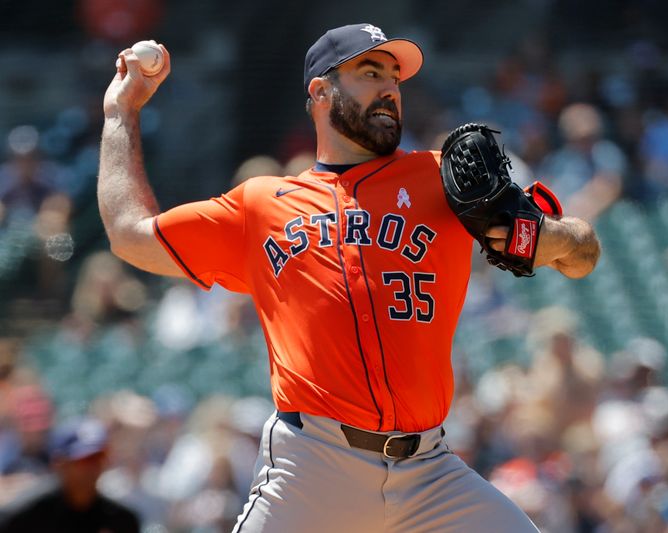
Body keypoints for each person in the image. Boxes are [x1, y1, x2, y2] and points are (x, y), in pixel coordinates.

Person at [98, 22, 600, 532]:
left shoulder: (441, 177)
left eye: (394, 77)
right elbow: (128, 234)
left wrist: (538, 237)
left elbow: (583, 251)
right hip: (313, 467)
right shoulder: (260, 204)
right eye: (369, 72)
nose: (389, 87)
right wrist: (121, 112)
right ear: (321, 92)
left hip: (429, 473)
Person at [0, 417, 140, 532]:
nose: (93, 466)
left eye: (98, 457)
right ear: (60, 463)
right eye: (84, 460)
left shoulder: (121, 519)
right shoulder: (22, 515)